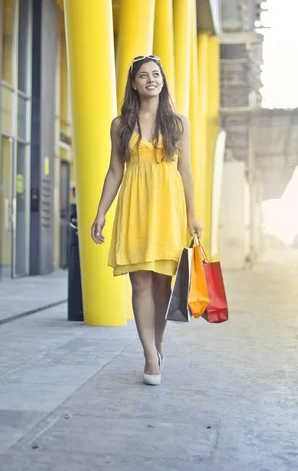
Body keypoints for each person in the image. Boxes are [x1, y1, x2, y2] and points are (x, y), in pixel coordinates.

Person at [91, 54, 202, 386]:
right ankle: (150, 355)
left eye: (156, 74)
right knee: (139, 282)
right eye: (143, 75)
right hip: (134, 207)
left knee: (162, 284)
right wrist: (100, 212)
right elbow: (115, 171)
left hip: (168, 209)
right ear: (134, 84)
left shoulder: (178, 123)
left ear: (163, 81)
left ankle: (158, 341)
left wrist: (193, 215)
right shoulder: (120, 124)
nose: (151, 79)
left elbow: (185, 171)